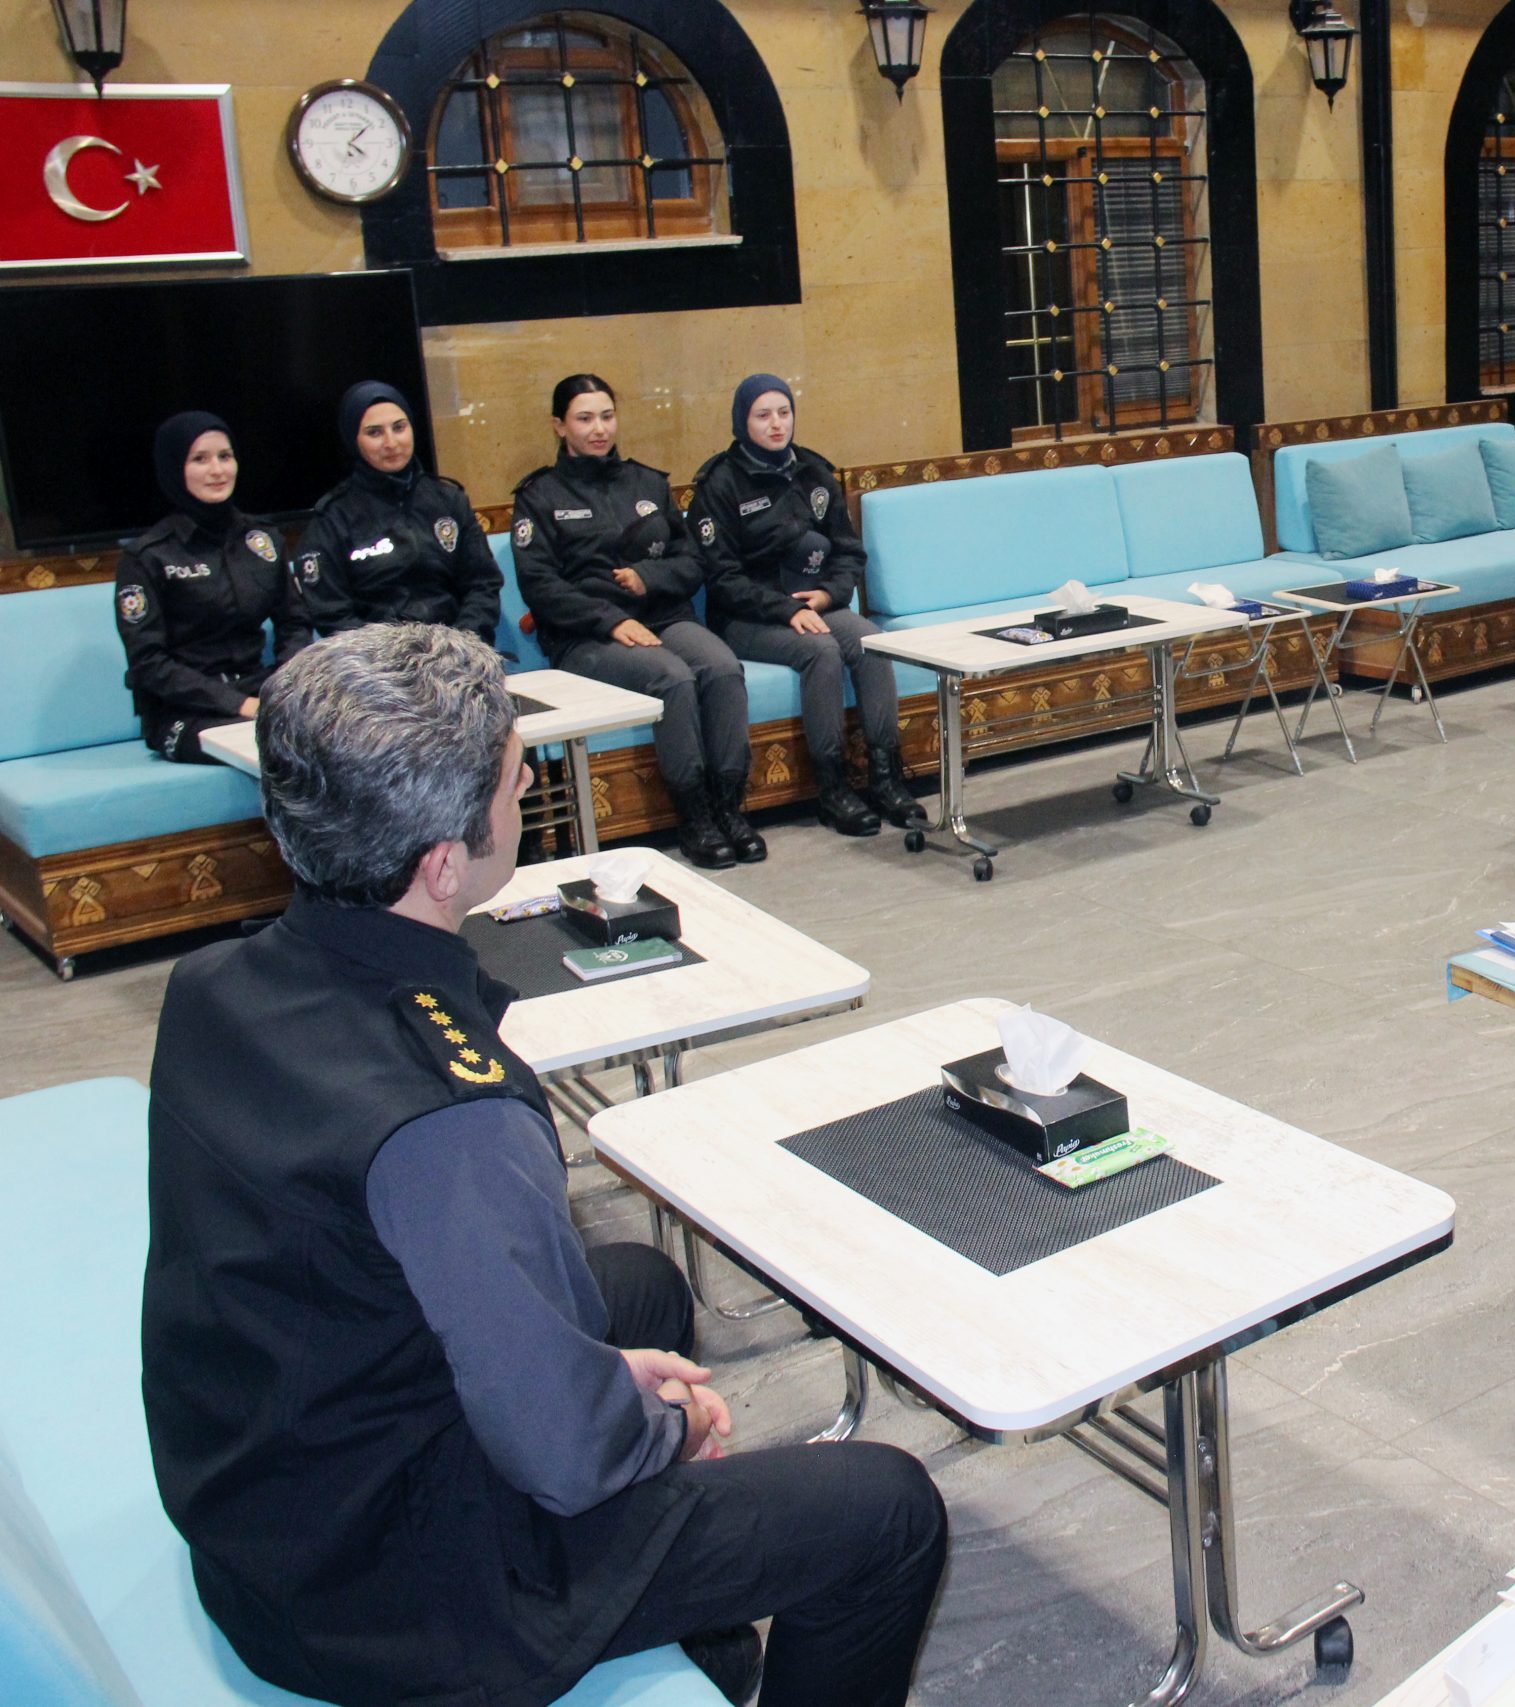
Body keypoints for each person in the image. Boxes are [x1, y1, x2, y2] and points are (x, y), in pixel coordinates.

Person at [139, 623, 948, 1707]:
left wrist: (599, 1386)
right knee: (887, 1513)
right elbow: (567, 1453)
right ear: (442, 864)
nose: (526, 796)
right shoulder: (447, 1119)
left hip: (272, 1498)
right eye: (516, 785)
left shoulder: (213, 983)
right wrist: (665, 1427)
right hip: (383, 1598)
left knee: (641, 1287)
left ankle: (693, 1644)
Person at [512, 374, 762, 869]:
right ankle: (694, 816)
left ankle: (729, 807)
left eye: (607, 416)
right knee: (671, 677)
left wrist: (650, 577)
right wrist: (608, 620)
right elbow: (540, 585)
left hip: (662, 616)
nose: (599, 429)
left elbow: (692, 561)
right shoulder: (540, 496)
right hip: (587, 636)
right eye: (585, 419)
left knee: (722, 667)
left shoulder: (648, 482)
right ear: (560, 426)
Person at [691, 374, 926, 839]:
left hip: (816, 603)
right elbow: (721, 577)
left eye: (784, 413)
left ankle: (885, 778)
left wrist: (828, 595)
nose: (776, 424)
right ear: (742, 421)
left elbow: (849, 552)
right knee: (821, 651)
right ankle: (833, 787)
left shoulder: (814, 472)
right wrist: (786, 610)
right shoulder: (719, 484)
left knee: (872, 643)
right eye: (763, 415)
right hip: (749, 617)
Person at [112, 411, 311, 763]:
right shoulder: (147, 556)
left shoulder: (263, 539)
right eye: (200, 459)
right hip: (183, 711)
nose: (217, 470)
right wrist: (239, 704)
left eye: (225, 456)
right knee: (274, 748)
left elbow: (294, 622)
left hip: (259, 691)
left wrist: (284, 686)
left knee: (339, 737)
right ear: (175, 468)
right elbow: (148, 663)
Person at [295, 380, 504, 643]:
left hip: (458, 650)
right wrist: (394, 657)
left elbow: (482, 584)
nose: (391, 442)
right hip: (375, 660)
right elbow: (332, 614)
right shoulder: (332, 519)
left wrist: (461, 643)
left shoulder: (449, 500)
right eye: (374, 433)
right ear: (353, 440)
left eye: (399, 427)